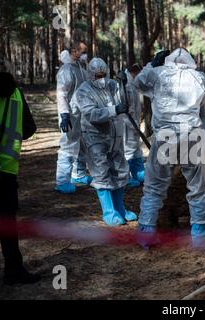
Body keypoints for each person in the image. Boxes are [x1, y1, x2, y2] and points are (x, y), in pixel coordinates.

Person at [133, 48, 205, 248]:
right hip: (191, 135)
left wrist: (151, 64)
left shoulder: (157, 73)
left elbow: (138, 83)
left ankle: (146, 231)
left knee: (153, 186)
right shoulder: (198, 77)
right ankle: (200, 232)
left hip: (165, 138)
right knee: (197, 186)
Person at [71, 57, 136, 226]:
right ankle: (109, 212)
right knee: (101, 172)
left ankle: (120, 208)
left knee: (120, 170)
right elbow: (91, 114)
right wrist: (114, 110)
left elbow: (126, 103)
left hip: (115, 135)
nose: (101, 78)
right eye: (97, 75)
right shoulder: (83, 91)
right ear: (90, 74)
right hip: (95, 136)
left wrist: (125, 83)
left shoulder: (112, 85)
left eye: (103, 74)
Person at [0, 49, 40, 284]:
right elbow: (29, 129)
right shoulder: (16, 94)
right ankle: (13, 270)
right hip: (5, 171)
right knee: (7, 223)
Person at [55, 41, 92, 194]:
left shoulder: (80, 68)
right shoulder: (66, 70)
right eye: (82, 51)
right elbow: (62, 94)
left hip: (80, 114)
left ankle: (79, 174)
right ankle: (62, 181)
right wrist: (64, 114)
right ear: (74, 51)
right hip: (70, 114)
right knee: (68, 145)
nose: (85, 54)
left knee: (82, 144)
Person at [122, 64, 145, 188]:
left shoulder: (132, 83)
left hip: (134, 123)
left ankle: (138, 173)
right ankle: (126, 178)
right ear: (135, 72)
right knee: (128, 150)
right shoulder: (125, 84)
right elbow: (127, 108)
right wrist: (133, 124)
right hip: (127, 123)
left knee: (135, 149)